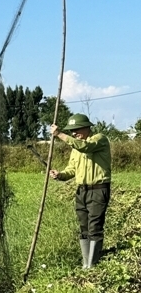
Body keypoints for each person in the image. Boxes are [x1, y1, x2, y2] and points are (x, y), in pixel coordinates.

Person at [49, 113, 111, 269]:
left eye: (76, 129)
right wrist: (60, 175)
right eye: (71, 131)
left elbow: (85, 147)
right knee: (84, 227)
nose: (74, 133)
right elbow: (71, 169)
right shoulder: (76, 148)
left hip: (98, 190)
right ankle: (86, 264)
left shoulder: (99, 139)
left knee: (94, 226)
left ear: (87, 127)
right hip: (81, 191)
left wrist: (60, 135)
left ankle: (93, 265)